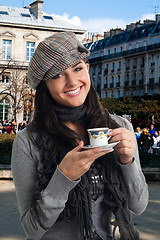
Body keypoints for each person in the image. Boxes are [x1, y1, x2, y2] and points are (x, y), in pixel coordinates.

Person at [11, 31, 148, 240]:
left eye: (77, 69)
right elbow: (32, 229)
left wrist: (128, 161)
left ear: (88, 69)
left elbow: (138, 206)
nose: (72, 81)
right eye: (57, 75)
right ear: (44, 86)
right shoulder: (28, 142)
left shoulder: (120, 126)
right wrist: (63, 177)